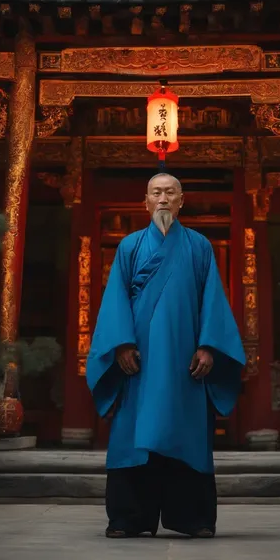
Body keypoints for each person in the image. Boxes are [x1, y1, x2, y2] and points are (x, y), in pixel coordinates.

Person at [86, 173, 245, 538]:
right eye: (155, 192)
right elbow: (114, 302)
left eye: (169, 192)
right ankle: (129, 519)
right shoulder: (129, 247)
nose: (162, 198)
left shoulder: (199, 246)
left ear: (181, 200)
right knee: (134, 435)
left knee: (185, 432)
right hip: (139, 362)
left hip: (184, 363)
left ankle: (193, 519)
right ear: (145, 202)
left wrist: (208, 345)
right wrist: (122, 344)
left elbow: (213, 301)